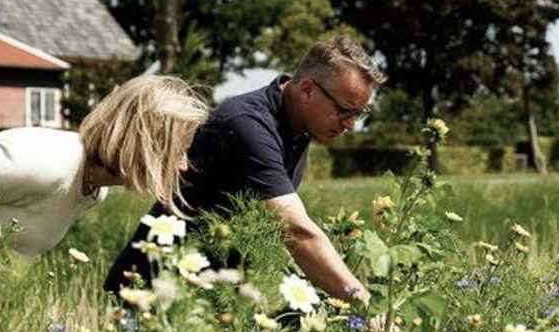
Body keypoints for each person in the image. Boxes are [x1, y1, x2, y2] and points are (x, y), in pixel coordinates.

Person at [104, 36, 385, 305]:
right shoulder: (247, 125)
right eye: (345, 111)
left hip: (205, 296)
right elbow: (297, 232)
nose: (350, 125)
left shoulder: (298, 128)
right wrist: (364, 304)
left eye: (359, 114)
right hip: (150, 290)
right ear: (309, 89)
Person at [0, 75, 209, 268]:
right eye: (177, 150)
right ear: (143, 143)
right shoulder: (43, 164)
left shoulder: (94, 189)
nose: (183, 164)